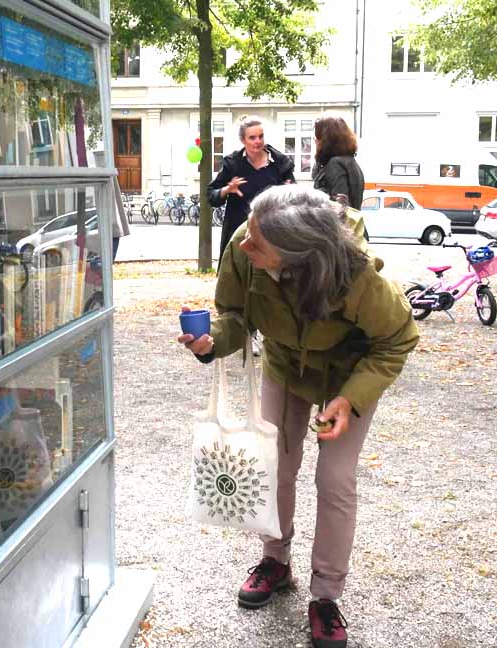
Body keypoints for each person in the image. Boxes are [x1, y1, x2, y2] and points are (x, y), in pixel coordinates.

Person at [176, 185, 418, 648]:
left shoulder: (356, 275)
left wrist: (351, 399)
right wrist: (212, 343)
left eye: (258, 244)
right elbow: (234, 315)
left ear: (297, 254)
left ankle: (325, 596)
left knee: (335, 479)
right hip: (287, 367)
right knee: (275, 468)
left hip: (345, 378)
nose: (245, 243)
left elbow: (398, 338)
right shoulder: (249, 240)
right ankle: (275, 561)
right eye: (250, 232)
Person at [209, 115, 295, 263]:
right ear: (243, 140)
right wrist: (227, 190)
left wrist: (288, 191)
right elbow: (211, 195)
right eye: (252, 138)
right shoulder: (233, 164)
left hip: (271, 232)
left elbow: (294, 198)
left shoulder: (280, 164)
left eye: (261, 137)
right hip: (239, 230)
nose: (258, 141)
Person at [311, 115, 364, 210]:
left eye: (317, 136)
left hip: (335, 223)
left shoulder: (335, 164)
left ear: (325, 139)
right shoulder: (349, 161)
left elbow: (339, 205)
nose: (314, 140)